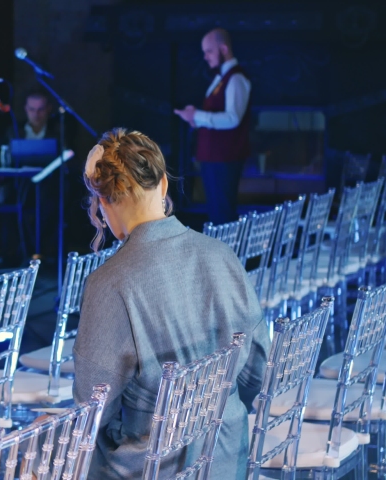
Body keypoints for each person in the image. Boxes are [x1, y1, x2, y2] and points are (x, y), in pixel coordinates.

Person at [73, 128, 270, 479]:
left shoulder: (109, 283)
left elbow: (91, 413)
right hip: (228, 460)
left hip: (151, 469)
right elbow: (256, 370)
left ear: (103, 203)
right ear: (163, 185)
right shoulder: (222, 256)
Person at [174, 28, 252, 225]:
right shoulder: (221, 78)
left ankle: (227, 255)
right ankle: (222, 254)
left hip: (224, 159)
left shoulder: (236, 78)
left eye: (209, 51)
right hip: (214, 158)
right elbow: (217, 115)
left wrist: (198, 115)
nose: (205, 57)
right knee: (217, 213)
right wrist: (195, 118)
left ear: (223, 48)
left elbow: (233, 118)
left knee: (223, 214)